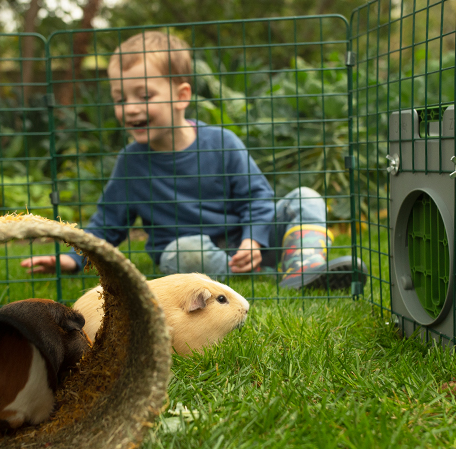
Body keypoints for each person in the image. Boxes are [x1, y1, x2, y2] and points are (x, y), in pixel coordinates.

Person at [21, 31, 366, 290]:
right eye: (119, 98)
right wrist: (71, 257)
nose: (130, 108)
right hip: (193, 254)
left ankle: (304, 267)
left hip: (249, 242)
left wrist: (252, 239)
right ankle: (248, 274)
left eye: (144, 95)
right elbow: (107, 225)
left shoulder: (221, 142)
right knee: (182, 252)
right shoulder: (131, 163)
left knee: (306, 197)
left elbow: (258, 198)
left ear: (182, 96)